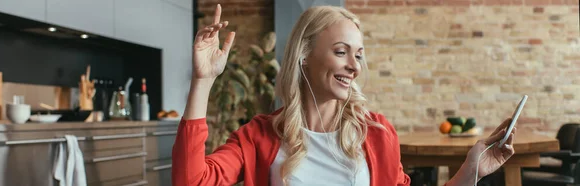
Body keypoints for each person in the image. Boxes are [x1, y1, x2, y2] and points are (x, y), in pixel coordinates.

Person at [173, 4, 516, 186]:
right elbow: (190, 182)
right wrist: (203, 80)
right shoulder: (259, 135)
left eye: (359, 54)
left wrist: (470, 172)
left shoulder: (377, 133)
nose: (354, 66)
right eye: (341, 51)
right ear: (304, 56)